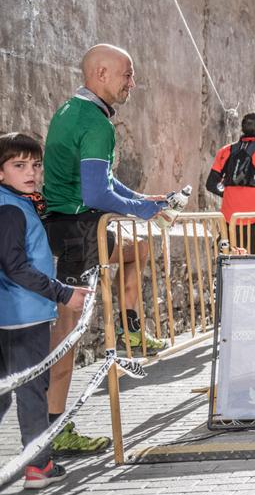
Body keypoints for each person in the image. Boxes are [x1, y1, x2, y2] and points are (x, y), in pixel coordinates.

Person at [43, 44, 168, 454]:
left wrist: (146, 201)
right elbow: (98, 191)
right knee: (67, 334)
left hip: (75, 225)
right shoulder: (97, 124)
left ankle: (132, 327)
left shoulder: (72, 110)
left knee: (136, 249)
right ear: (100, 73)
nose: (132, 83)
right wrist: (143, 209)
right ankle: (54, 427)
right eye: (127, 75)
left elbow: (107, 184)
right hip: (78, 233)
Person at [0, 133, 90, 489]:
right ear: (1, 172)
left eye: (35, 165)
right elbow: (15, 266)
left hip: (13, 313)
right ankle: (38, 465)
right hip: (24, 316)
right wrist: (63, 292)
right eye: (18, 165)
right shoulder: (10, 209)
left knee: (7, 391)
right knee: (33, 390)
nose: (31, 173)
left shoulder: (14, 203)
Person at [206, 112, 255, 249]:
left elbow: (211, 184)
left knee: (228, 265)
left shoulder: (225, 151)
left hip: (230, 221)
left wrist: (230, 193)